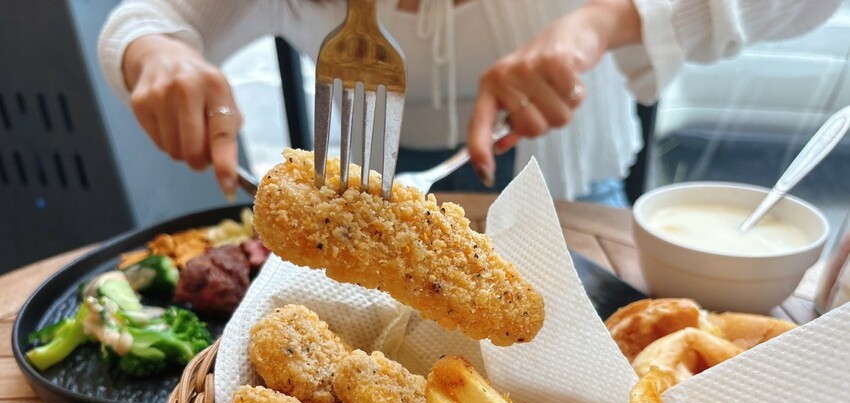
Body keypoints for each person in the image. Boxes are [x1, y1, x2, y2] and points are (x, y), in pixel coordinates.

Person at [97, 0, 841, 205]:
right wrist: (157, 52)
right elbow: (147, 19)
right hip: (365, 201)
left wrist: (605, 20)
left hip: (573, 193)